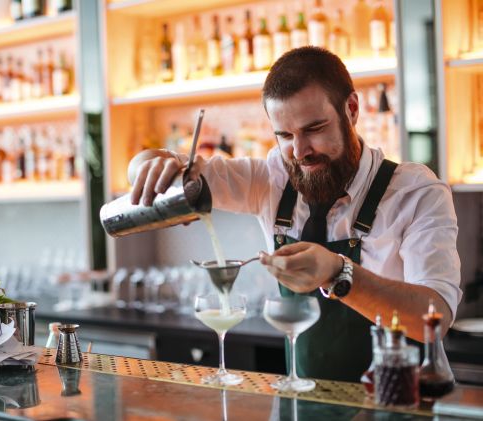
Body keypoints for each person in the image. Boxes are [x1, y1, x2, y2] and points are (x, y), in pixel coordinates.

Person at [127, 46, 461, 382]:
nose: (299, 152)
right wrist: (151, 167)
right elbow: (158, 168)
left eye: (314, 129)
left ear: (352, 109)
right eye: (285, 135)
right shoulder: (272, 178)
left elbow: (435, 318)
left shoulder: (415, 192)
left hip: (396, 403)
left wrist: (338, 272)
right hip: (300, 403)